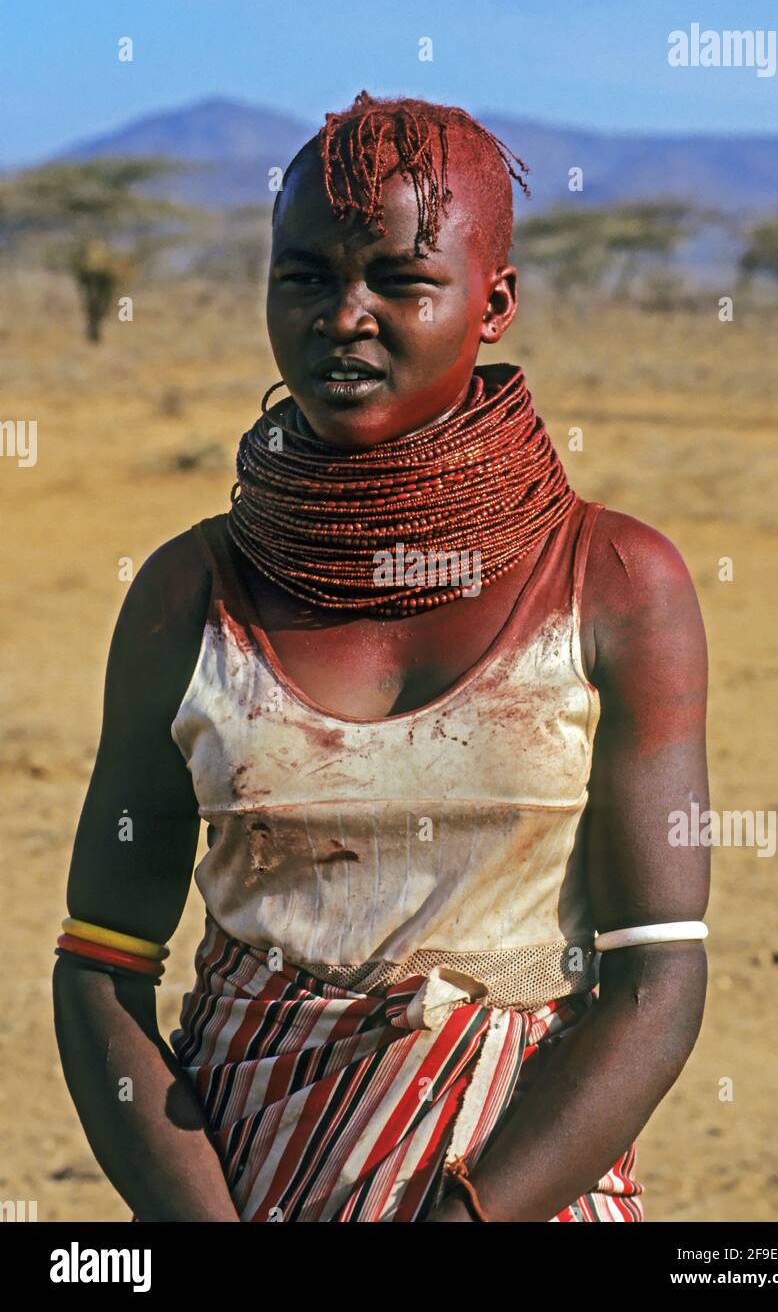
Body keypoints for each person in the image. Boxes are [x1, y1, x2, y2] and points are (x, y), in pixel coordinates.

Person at [53, 92, 710, 1223]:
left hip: (519, 1191)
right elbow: (102, 964)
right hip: (246, 1182)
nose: (344, 316)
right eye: (305, 277)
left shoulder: (617, 583)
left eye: (401, 282)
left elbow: (657, 979)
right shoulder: (187, 594)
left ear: (493, 303)